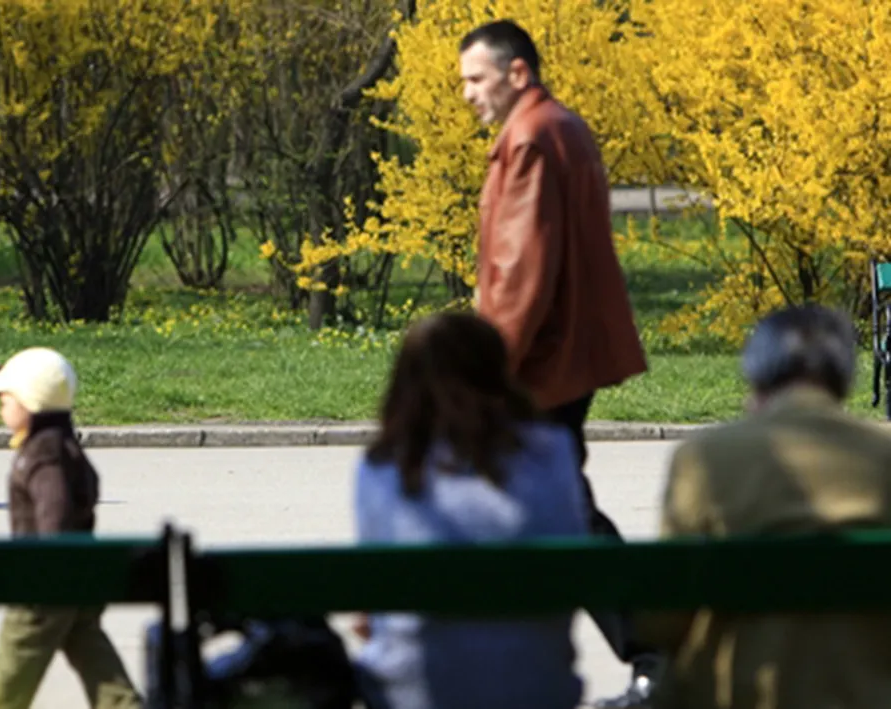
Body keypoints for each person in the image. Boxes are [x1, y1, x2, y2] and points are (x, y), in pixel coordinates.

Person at [457, 19, 658, 707]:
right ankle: (649, 651)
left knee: (548, 509)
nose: (466, 94)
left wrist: (489, 373)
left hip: (536, 368)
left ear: (517, 73)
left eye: (475, 79)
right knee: (547, 507)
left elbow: (520, 272)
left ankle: (656, 650)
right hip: (563, 358)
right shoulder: (563, 126)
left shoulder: (531, 139)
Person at [642, 304, 891, 709]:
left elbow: (661, 616)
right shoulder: (883, 458)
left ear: (757, 372)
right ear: (844, 377)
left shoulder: (706, 456)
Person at [352, 310, 589, 709]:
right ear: (498, 373)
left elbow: (370, 612)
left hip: (415, 695)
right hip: (539, 691)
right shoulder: (553, 453)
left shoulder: (383, 469)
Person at [0, 347, 142, 709]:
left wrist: (45, 570)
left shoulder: (44, 455)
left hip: (45, 585)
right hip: (77, 579)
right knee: (91, 652)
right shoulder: (59, 445)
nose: (0, 404)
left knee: (16, 660)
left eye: (6, 397)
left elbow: (55, 515)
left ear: (29, 404)